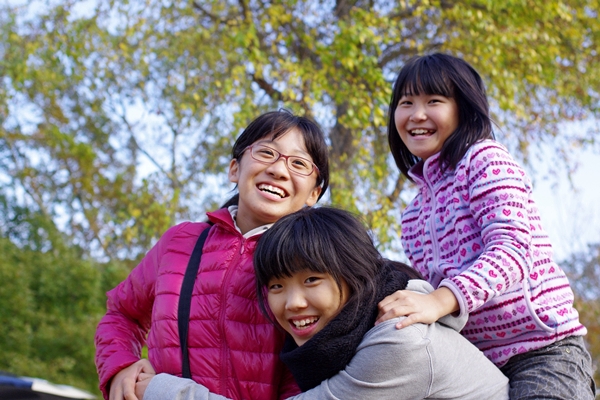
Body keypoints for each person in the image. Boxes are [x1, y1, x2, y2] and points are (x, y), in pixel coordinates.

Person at [378, 53, 596, 399]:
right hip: (474, 359)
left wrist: (439, 300)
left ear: (463, 109)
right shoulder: (413, 214)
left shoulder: (483, 160)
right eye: (406, 103)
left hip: (540, 350)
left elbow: (512, 251)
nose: (417, 114)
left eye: (433, 101)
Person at [137, 207, 509, 400]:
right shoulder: (344, 336)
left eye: (312, 280)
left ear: (353, 276)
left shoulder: (398, 340)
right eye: (277, 286)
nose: (293, 303)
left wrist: (157, 390)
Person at [94, 110, 330, 400]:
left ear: (313, 194)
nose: (279, 170)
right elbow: (122, 314)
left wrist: (405, 294)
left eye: (298, 163)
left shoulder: (322, 260)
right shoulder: (180, 242)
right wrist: (121, 367)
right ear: (235, 168)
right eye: (266, 152)